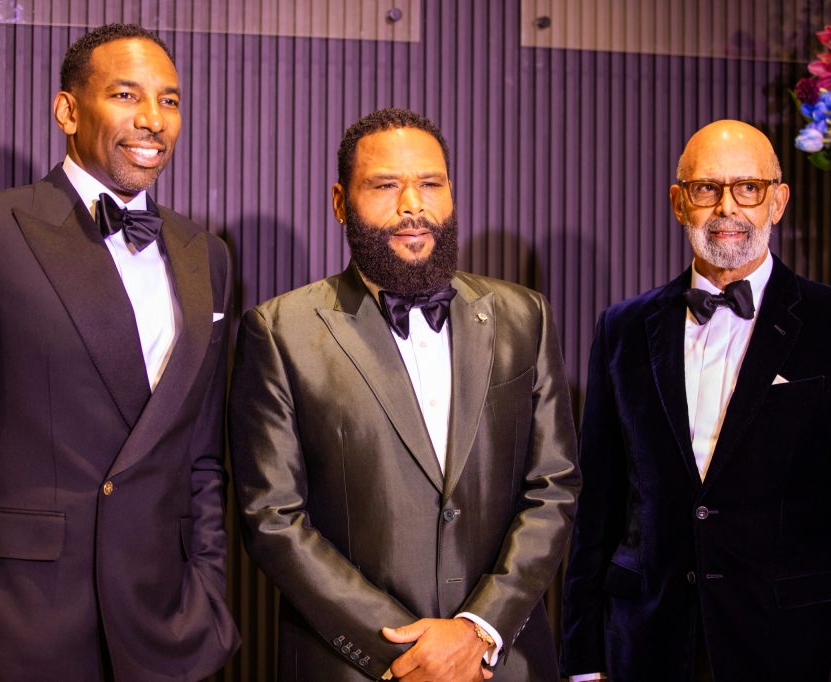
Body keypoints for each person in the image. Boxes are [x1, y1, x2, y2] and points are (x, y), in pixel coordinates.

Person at [0, 23, 239, 681]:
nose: (152, 120)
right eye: (126, 94)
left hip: (166, 631)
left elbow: (200, 455)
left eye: (169, 101)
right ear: (67, 110)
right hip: (17, 626)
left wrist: (208, 593)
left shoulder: (208, 254)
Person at [228, 107, 580, 681]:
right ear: (342, 202)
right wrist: (407, 652)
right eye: (385, 186)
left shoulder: (525, 316)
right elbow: (273, 518)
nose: (412, 204)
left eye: (431, 184)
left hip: (501, 661)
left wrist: (477, 629)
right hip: (357, 666)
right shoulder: (279, 331)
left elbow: (555, 485)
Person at [560, 119, 831, 681]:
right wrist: (583, 662)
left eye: (748, 188)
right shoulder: (621, 329)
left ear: (778, 201)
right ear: (679, 203)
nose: (727, 207)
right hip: (646, 648)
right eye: (706, 189)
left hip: (790, 652)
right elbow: (598, 507)